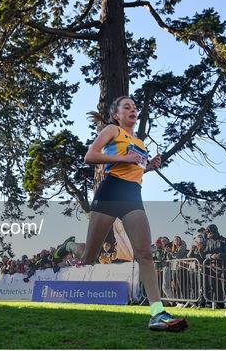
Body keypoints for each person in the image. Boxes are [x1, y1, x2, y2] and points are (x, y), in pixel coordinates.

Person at [52, 96, 187, 331]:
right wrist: (121, 157)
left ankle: (157, 313)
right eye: (127, 107)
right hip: (110, 191)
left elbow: (136, 169)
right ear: (116, 114)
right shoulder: (112, 130)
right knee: (89, 258)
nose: (133, 110)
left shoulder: (140, 143)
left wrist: (150, 165)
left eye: (135, 107)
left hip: (132, 195)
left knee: (144, 253)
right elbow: (90, 156)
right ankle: (70, 246)